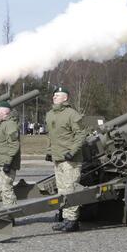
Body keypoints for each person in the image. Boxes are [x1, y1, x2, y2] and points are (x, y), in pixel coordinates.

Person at [45, 86, 87, 232]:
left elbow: (81, 135)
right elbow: (52, 136)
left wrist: (72, 152)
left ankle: (72, 220)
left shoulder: (72, 115)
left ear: (65, 98)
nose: (54, 97)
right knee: (62, 189)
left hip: (71, 160)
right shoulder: (50, 114)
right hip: (58, 158)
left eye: (58, 95)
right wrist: (49, 152)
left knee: (71, 189)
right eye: (54, 95)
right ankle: (65, 216)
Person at [0, 100, 20, 206]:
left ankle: (11, 214)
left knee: (7, 190)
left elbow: (14, 145)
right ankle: (8, 213)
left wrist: (8, 163)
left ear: (5, 112)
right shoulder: (0, 125)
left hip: (6, 164)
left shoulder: (10, 125)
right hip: (1, 163)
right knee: (3, 189)